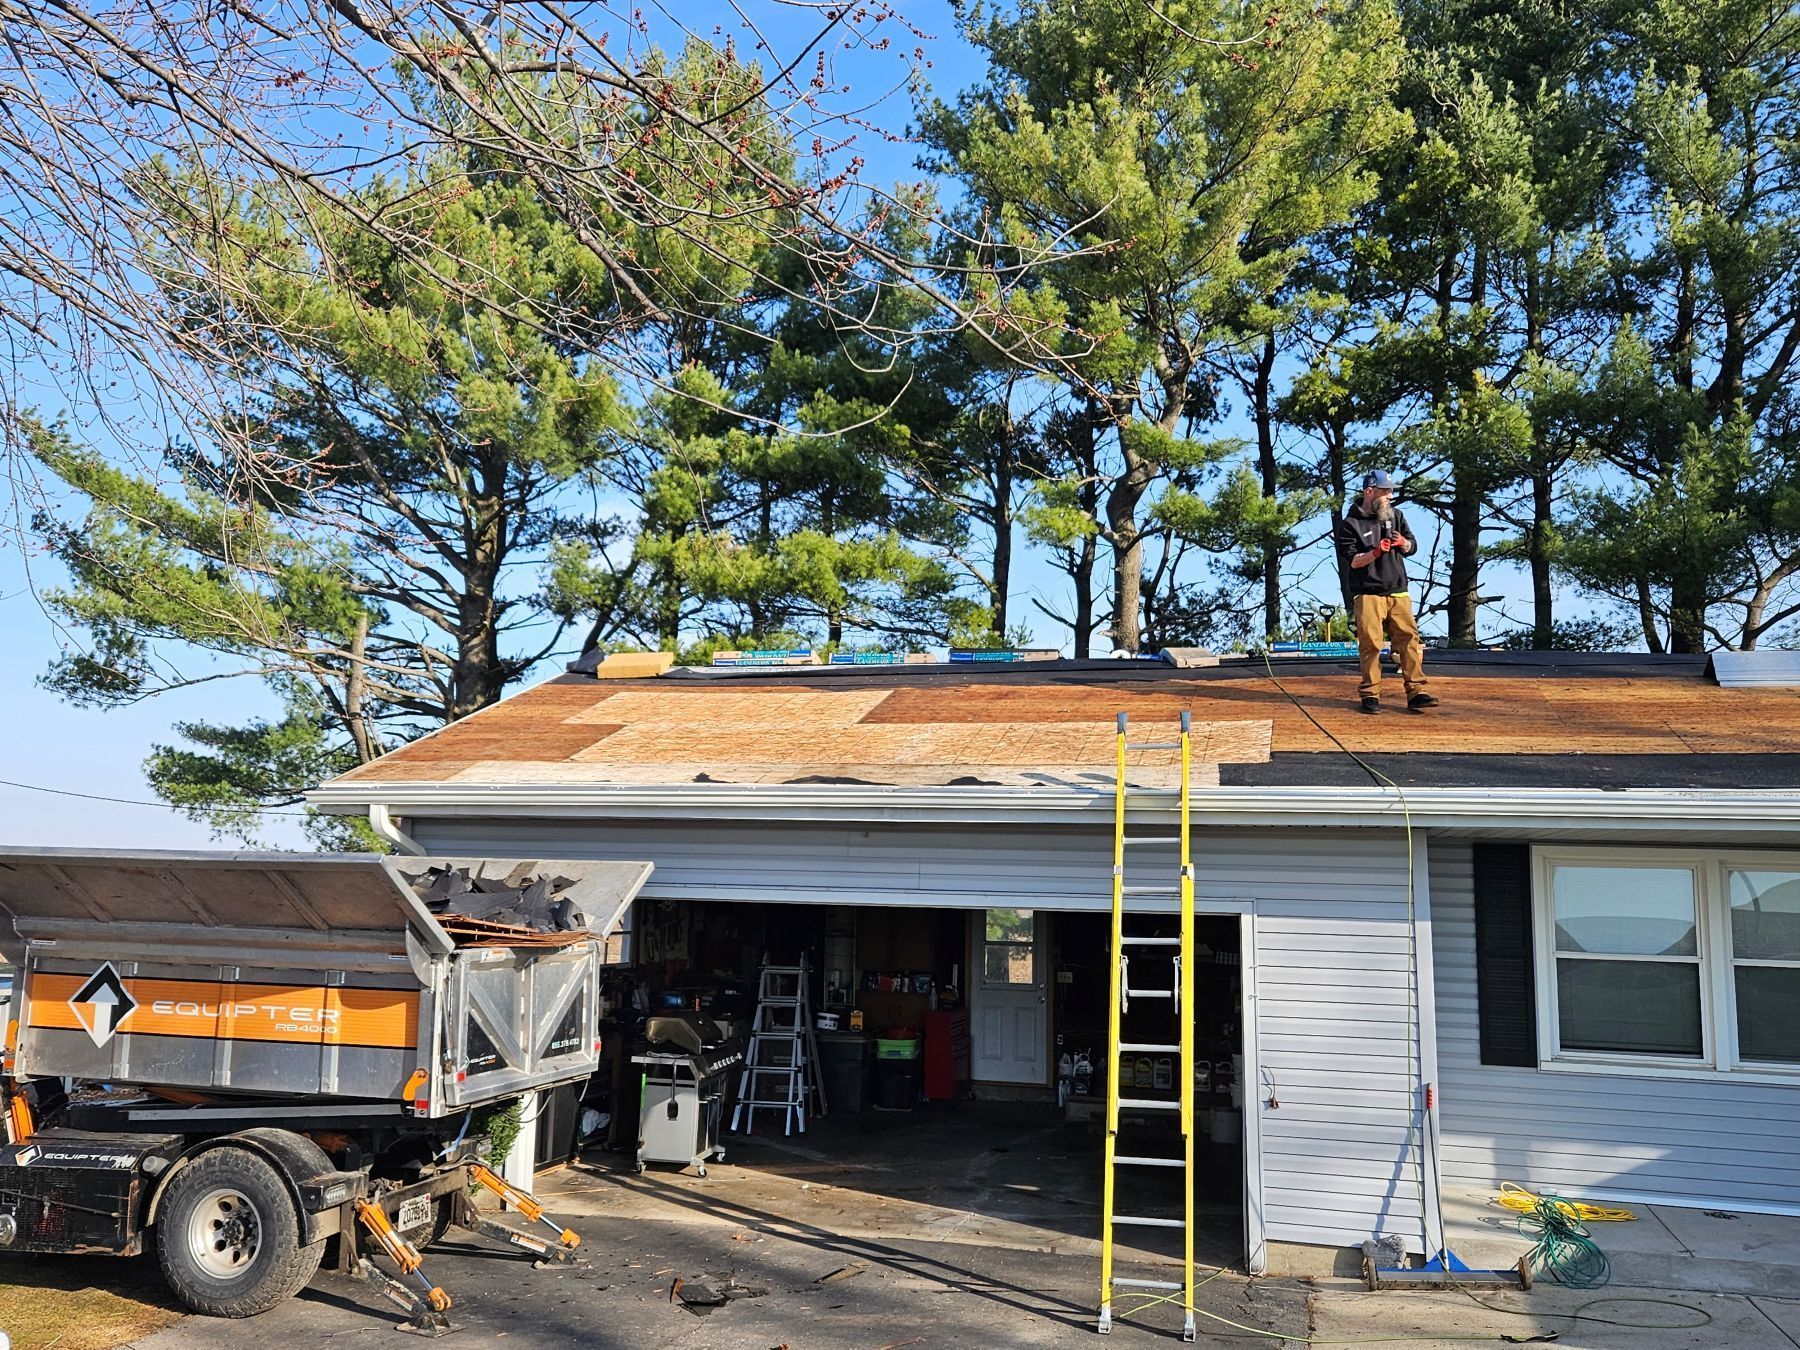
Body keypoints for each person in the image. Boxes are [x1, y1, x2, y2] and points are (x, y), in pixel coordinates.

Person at [1333, 470, 1438, 714]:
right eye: (1386, 491)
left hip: (1398, 590)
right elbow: (1354, 561)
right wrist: (1376, 552)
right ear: (1369, 491)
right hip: (1368, 593)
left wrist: (1403, 544)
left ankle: (1417, 692)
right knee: (1371, 643)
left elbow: (1413, 546)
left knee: (1409, 640)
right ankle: (1370, 694)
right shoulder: (1350, 525)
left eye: (1391, 491)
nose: (1390, 496)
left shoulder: (1396, 516)